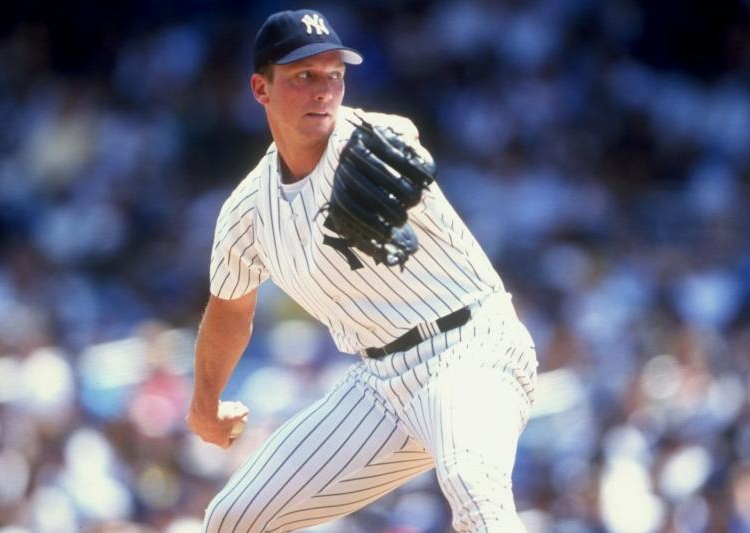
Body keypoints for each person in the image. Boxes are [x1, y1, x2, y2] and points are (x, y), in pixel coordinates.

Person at [186, 9, 538, 533]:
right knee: (232, 520)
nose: (324, 90)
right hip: (380, 384)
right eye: (304, 76)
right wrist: (205, 405)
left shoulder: (369, 141)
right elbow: (231, 309)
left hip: (472, 348)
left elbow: (401, 137)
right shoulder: (248, 211)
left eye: (334, 74)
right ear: (261, 88)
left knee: (474, 488)